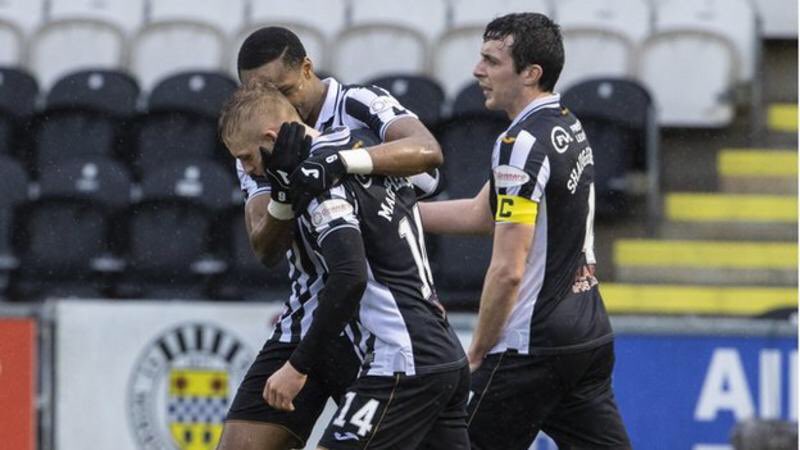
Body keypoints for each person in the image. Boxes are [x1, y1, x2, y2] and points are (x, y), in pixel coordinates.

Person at [218, 27, 443, 450]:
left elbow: (427, 154)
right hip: (310, 316)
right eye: (261, 93)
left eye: (283, 90)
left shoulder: (359, 105)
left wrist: (340, 163)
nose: (279, 105)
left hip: (377, 318)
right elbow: (265, 246)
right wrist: (284, 195)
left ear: (306, 69)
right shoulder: (258, 143)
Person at [419, 13, 632, 449]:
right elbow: (484, 212)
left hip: (530, 346)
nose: (478, 71)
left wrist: (477, 352)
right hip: (586, 334)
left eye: (491, 61)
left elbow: (508, 271)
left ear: (530, 73)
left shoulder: (521, 146)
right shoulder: (566, 123)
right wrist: (394, 214)